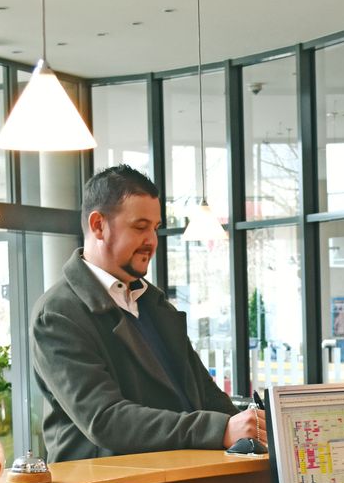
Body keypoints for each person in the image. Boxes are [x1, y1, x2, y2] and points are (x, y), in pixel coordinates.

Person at [31, 165, 265, 461]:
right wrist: (220, 430)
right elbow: (105, 420)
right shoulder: (58, 314)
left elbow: (206, 395)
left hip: (179, 481)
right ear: (98, 225)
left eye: (155, 228)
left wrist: (252, 430)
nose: (152, 241)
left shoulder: (155, 305)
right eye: (140, 227)